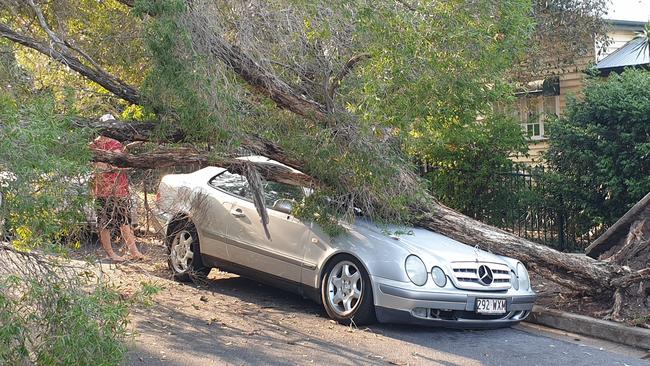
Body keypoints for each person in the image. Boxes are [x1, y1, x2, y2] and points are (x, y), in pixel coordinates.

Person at [90, 135, 145, 262]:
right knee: (106, 223)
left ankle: (134, 251)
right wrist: (116, 167)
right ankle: (111, 253)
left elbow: (119, 163)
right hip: (105, 191)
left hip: (118, 190)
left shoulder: (112, 143)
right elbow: (100, 167)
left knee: (124, 221)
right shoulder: (96, 145)